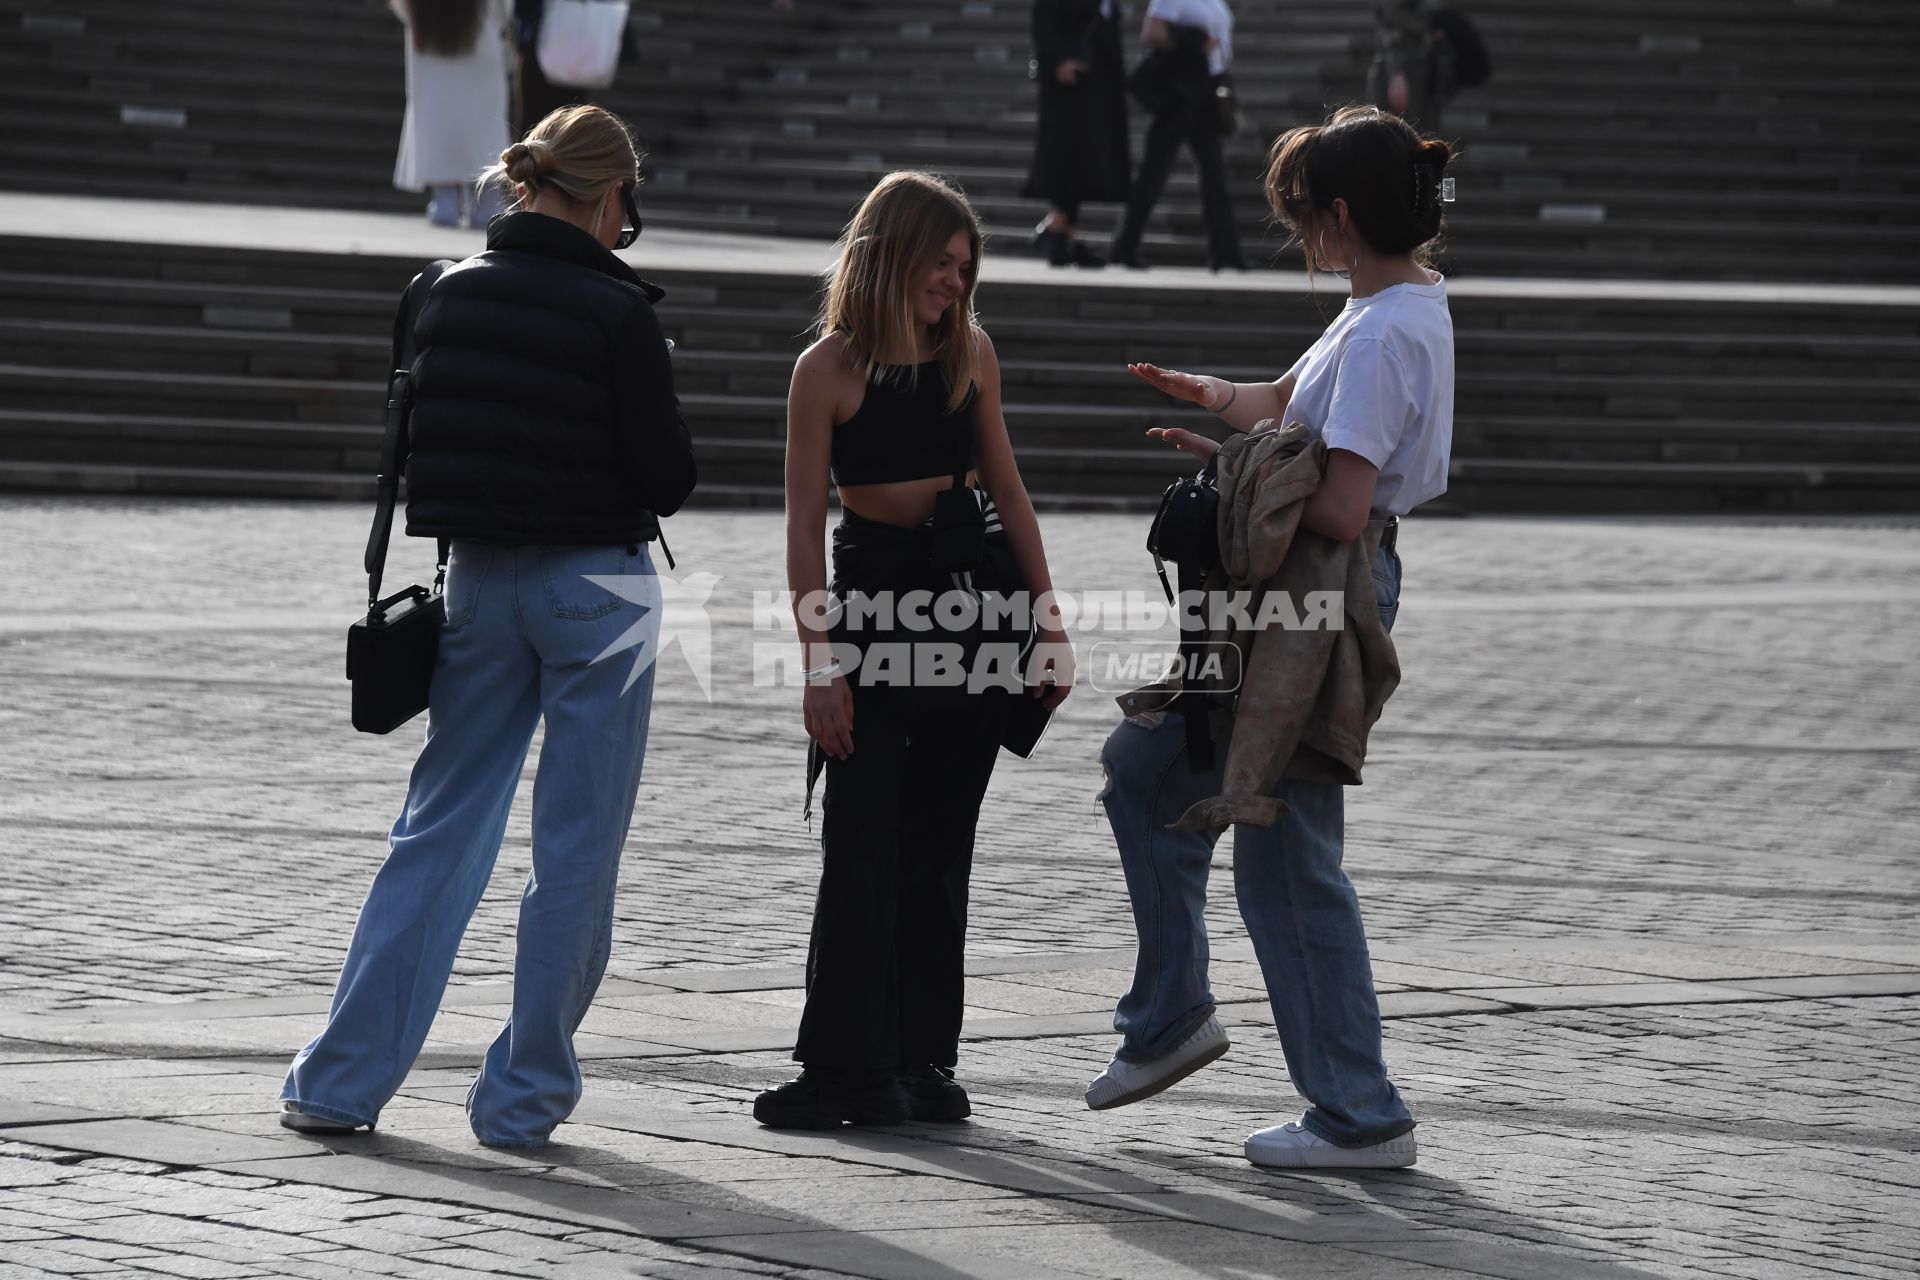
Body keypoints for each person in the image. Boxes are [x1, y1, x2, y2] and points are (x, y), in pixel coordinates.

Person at [281, 105, 697, 1149]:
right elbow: (667, 478)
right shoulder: (618, 312)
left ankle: (338, 1082)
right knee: (576, 849)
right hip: (600, 585)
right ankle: (520, 1098)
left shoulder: (436, 291)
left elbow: (416, 438)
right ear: (610, 195)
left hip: (473, 582)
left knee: (437, 832)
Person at [1087, 105, 1455, 1169]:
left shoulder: (1388, 330)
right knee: (1146, 773)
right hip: (1289, 593)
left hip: (1317, 595)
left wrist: (1237, 471)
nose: (1305, 241)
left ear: (1340, 216)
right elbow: (1284, 406)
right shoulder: (1385, 303)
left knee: (1286, 860)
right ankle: (1170, 1018)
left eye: (1307, 220)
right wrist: (1216, 406)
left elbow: (1337, 505)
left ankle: (1356, 1111)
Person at [757, 171, 1073, 1130]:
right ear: (892, 252)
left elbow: (1009, 493)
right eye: (940, 261)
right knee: (859, 843)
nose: (953, 279)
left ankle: (921, 1065)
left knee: (938, 848)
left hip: (966, 612)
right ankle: (849, 1071)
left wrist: (1050, 627)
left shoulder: (968, 351)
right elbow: (803, 532)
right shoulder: (828, 369)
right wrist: (820, 666)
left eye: (964, 265)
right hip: (869, 612)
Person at [1107, 0, 1242, 271]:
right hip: (1180, 95)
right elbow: (1152, 34)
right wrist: (1193, 43)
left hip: (1207, 89)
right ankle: (1125, 245)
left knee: (1214, 173)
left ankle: (1225, 251)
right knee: (1153, 173)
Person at [1023, 1, 1131, 268]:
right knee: (1070, 154)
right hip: (1070, 82)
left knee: (1087, 159)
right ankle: (1058, 231)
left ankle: (1061, 232)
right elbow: (1044, 19)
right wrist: (1056, 60)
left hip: (1098, 82)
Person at [393, 0, 513, 227]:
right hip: (480, 41)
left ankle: (445, 200)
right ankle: (485, 202)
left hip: (430, 44)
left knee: (437, 121)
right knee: (484, 124)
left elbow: (404, 9)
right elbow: (504, 10)